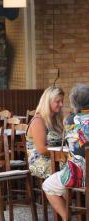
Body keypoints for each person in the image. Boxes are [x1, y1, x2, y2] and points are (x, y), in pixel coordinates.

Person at [43, 84, 89, 220]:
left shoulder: (70, 121)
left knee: (48, 185)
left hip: (78, 176)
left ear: (74, 102)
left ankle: (67, 218)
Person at [26, 86, 64, 179]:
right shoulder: (38, 120)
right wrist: (64, 155)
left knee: (79, 166)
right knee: (71, 170)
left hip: (56, 158)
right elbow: (42, 149)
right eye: (58, 101)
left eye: (62, 101)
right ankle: (61, 193)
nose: (61, 104)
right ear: (48, 102)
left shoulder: (56, 120)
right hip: (40, 161)